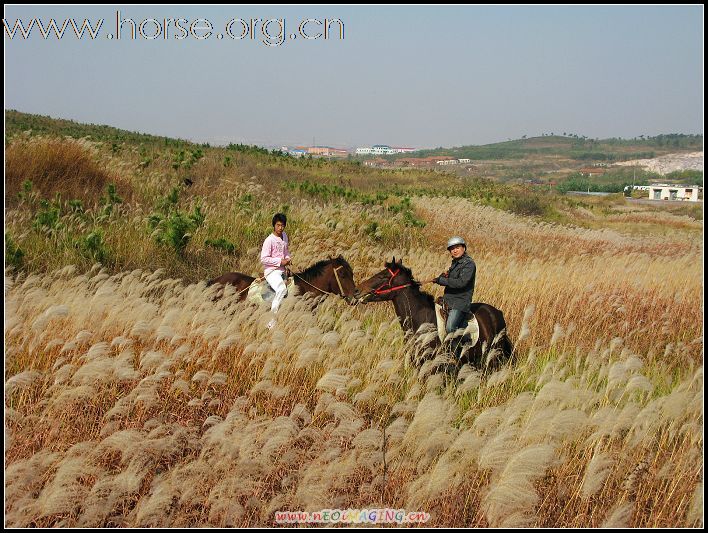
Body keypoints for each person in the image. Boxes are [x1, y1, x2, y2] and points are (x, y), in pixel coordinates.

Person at [427, 236, 476, 336]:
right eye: (452, 249)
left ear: (463, 248)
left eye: (457, 247)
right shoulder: (455, 263)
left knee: (450, 328)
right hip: (448, 299)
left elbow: (461, 282)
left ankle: (465, 345)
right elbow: (449, 277)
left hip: (460, 302)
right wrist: (441, 277)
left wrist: (442, 280)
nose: (454, 251)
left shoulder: (469, 264)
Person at [261, 213, 291, 329]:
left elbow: (286, 252)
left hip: (283, 270)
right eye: (278, 225)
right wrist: (280, 261)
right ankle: (271, 323)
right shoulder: (269, 240)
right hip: (271, 271)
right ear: (274, 225)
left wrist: (288, 259)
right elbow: (264, 259)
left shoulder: (284, 236)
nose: (280, 228)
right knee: (282, 289)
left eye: (282, 225)